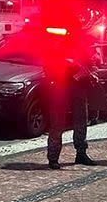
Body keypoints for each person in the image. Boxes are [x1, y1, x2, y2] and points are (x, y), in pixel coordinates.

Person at [40, 24, 99, 170]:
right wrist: (67, 62)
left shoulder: (82, 44)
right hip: (61, 87)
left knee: (81, 121)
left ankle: (81, 153)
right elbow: (48, 63)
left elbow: (92, 62)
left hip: (79, 87)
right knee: (57, 123)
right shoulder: (55, 40)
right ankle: (53, 157)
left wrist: (92, 72)